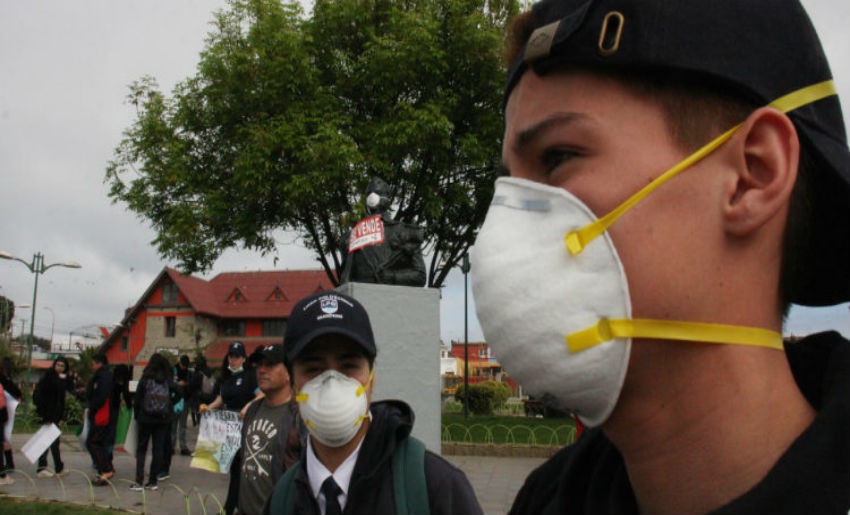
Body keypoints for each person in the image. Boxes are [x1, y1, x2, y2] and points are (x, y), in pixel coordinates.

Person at [469, 1, 850, 514]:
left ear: (753, 175)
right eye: (508, 183)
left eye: (557, 157)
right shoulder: (545, 501)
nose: (503, 228)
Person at [265, 291, 483, 514]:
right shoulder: (282, 499)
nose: (332, 383)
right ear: (292, 385)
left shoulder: (437, 487)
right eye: (313, 369)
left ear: (372, 380)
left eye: (349, 366)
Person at [238, 344, 304, 515]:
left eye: (270, 365)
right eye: (259, 365)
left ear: (289, 373)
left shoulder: (300, 417)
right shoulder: (253, 410)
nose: (261, 370)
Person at [199, 341, 263, 515]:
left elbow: (261, 395)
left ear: (243, 358)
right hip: (228, 428)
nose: (233, 360)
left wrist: (247, 407)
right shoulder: (225, 377)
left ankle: (230, 507)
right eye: (231, 356)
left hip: (245, 426)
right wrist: (208, 407)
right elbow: (221, 399)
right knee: (231, 467)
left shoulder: (250, 376)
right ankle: (236, 504)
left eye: (237, 357)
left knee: (238, 469)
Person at [339, 176, 427, 286]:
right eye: (369, 192)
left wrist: (392, 277)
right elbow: (344, 279)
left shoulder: (405, 233)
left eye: (377, 192)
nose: (372, 196)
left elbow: (420, 276)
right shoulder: (350, 237)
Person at [131, 352, 181, 491]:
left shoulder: (146, 378)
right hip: (163, 419)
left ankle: (138, 481)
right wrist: (170, 404)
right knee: (158, 449)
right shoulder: (167, 380)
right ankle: (153, 481)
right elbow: (179, 392)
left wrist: (137, 415)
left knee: (141, 449)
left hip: (145, 418)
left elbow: (138, 398)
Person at [32, 356, 71, 478]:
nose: (60, 367)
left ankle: (58, 467)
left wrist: (60, 417)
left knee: (53, 442)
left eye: (62, 366)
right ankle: (43, 467)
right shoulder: (48, 378)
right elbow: (40, 397)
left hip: (56, 416)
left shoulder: (61, 380)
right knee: (47, 442)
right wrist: (47, 416)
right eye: (58, 365)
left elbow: (61, 400)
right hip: (49, 416)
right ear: (54, 365)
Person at [86, 353, 114, 486]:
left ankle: (106, 469)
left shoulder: (103, 377)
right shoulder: (104, 375)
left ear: (99, 363)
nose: (92, 366)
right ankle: (105, 468)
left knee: (93, 442)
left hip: (101, 414)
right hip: (101, 413)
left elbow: (101, 396)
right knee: (98, 442)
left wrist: (92, 406)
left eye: (93, 363)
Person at [0, 356, 22, 478]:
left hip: (3, 411)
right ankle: (9, 462)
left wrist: (18, 396)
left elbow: (14, 389)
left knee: (3, 437)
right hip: (4, 411)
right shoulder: (4, 377)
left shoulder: (3, 378)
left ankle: (8, 463)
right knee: (4, 437)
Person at [171, 354, 192, 456]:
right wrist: (178, 384)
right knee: (173, 425)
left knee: (183, 425)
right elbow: (170, 383)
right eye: (183, 365)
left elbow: (190, 384)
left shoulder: (188, 372)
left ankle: (183, 447)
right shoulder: (173, 370)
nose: (184, 367)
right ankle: (171, 446)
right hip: (174, 401)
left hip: (185, 400)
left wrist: (186, 384)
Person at [190, 355, 216, 426]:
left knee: (202, 423)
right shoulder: (209, 372)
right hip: (210, 400)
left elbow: (191, 387)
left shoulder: (198, 374)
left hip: (200, 400)